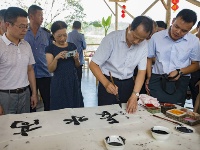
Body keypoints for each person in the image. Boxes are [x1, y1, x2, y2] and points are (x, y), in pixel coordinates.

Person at [89, 16, 153, 114]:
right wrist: (106, 83)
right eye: (135, 37)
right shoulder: (112, 39)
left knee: (127, 116)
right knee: (106, 116)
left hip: (128, 84)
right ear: (130, 27)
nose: (136, 42)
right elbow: (93, 64)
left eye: (141, 40)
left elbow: (141, 71)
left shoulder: (143, 45)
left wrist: (134, 95)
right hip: (109, 81)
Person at [146, 9, 200, 107]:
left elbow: (195, 65)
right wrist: (149, 77)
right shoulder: (156, 37)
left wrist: (180, 71)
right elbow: (149, 57)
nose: (178, 32)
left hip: (179, 82)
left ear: (191, 29)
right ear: (173, 20)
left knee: (175, 113)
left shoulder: (194, 41)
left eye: (184, 31)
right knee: (153, 110)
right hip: (157, 79)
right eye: (176, 26)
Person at [0, 7, 37, 114]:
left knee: (23, 125)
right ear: (8, 25)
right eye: (21, 26)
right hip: (5, 97)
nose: (25, 30)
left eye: (26, 26)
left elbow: (30, 70)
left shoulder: (26, 45)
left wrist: (33, 93)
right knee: (6, 128)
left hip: (25, 94)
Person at [45, 21, 84, 110]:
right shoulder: (50, 48)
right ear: (53, 35)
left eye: (65, 35)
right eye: (59, 36)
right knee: (60, 107)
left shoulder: (72, 46)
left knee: (75, 106)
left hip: (73, 80)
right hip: (59, 82)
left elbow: (77, 65)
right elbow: (50, 69)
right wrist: (56, 58)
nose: (63, 38)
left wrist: (76, 58)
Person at [24, 5, 52, 111]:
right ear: (31, 16)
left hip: (45, 73)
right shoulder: (23, 33)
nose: (42, 18)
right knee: (31, 104)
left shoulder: (46, 34)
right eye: (40, 15)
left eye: (42, 15)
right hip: (27, 75)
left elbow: (51, 52)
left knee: (48, 102)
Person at [67, 21, 86, 88]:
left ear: (72, 26)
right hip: (79, 61)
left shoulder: (68, 35)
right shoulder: (81, 36)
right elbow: (84, 47)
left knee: (70, 80)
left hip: (69, 61)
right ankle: (78, 95)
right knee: (78, 80)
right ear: (80, 27)